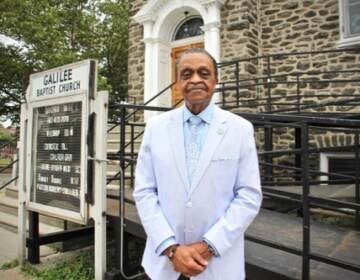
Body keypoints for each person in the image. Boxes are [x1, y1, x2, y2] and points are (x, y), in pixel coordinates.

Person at [134, 48, 262, 280]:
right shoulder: (155, 128)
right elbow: (144, 191)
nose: (195, 79)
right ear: (177, 82)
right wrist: (171, 248)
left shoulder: (240, 129)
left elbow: (249, 195)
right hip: (165, 264)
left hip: (217, 264)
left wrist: (208, 245)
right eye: (187, 73)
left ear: (215, 80)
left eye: (204, 73)